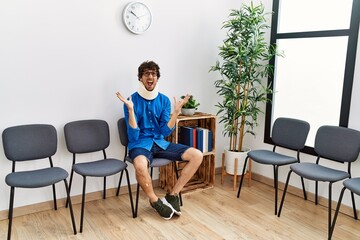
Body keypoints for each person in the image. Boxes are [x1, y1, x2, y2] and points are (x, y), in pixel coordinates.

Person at [116, 60, 203, 220]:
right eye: (146, 74)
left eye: (154, 74)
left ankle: (173, 195)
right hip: (140, 144)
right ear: (140, 78)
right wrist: (131, 111)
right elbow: (133, 136)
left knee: (197, 155)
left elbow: (164, 131)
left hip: (160, 143)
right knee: (141, 166)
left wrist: (175, 113)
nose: (150, 77)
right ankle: (155, 201)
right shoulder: (131, 101)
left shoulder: (163, 100)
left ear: (157, 78)